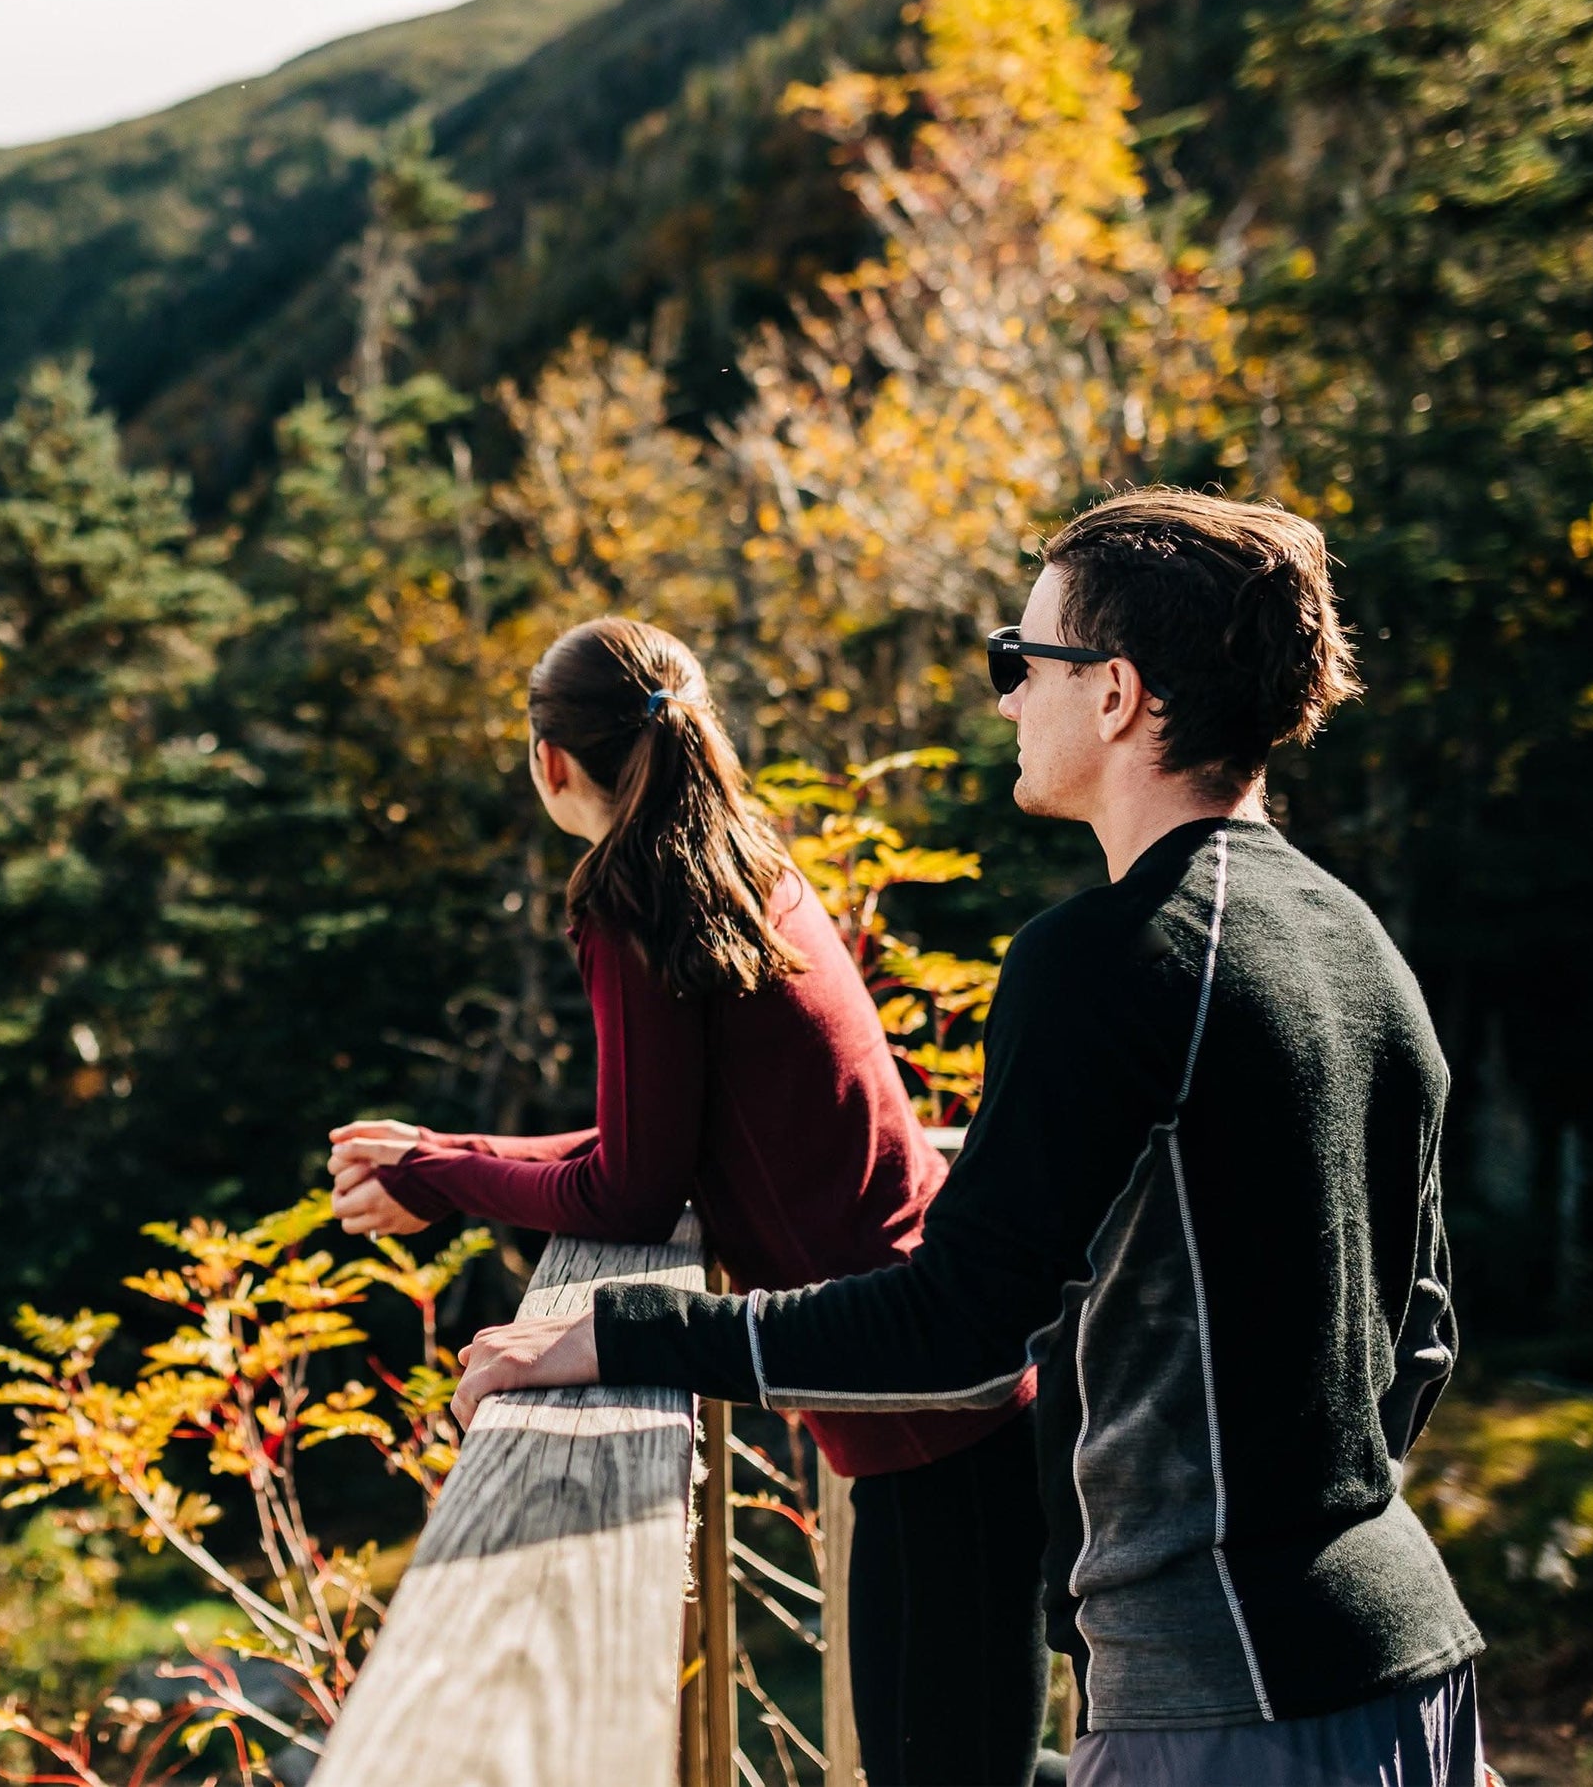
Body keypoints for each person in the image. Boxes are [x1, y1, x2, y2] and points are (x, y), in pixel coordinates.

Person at [451, 492, 1490, 1787]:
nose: (1003, 698)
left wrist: (623, 1334)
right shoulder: (1354, 943)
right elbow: (1422, 1329)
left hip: (1224, 1694)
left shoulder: (1105, 959)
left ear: (1112, 693)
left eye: (1020, 658)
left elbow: (955, 1328)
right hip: (1407, 1666)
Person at [327, 616, 1050, 1787]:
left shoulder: (638, 903)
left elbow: (627, 1190)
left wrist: (442, 1173)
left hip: (926, 1413)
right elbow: (660, 1140)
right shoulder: (744, 874)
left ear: (550, 761)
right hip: (941, 1378)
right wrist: (438, 1158)